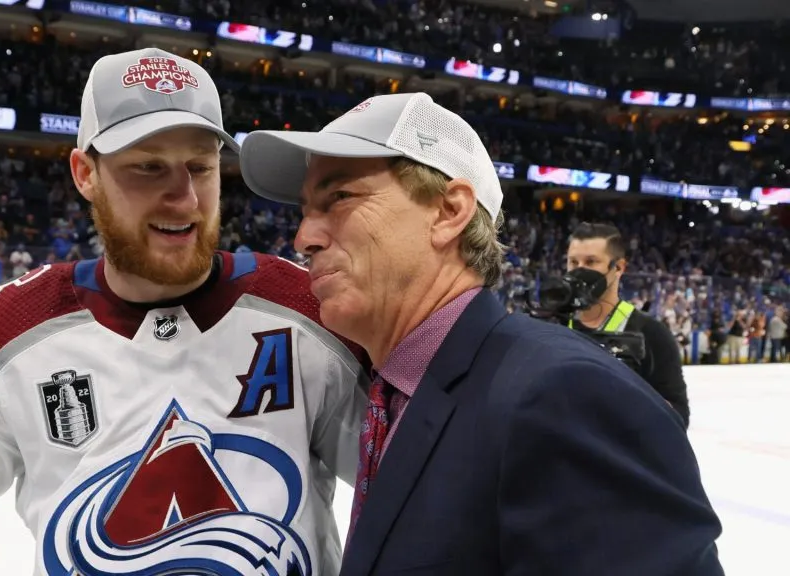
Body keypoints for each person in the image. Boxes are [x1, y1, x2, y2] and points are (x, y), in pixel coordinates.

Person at [0, 48, 367, 575]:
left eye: (200, 167)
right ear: (85, 173)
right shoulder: (3, 331)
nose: (184, 198)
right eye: (148, 167)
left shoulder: (307, 308)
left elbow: (421, 491)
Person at [239, 92, 724, 575]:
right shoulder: (400, 393)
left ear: (449, 212)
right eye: (306, 209)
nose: (304, 237)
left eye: (339, 197)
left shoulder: (564, 395)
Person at [565, 222, 691, 427]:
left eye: (590, 262)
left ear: (618, 267)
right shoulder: (550, 324)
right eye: (573, 262)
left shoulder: (651, 333)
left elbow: (678, 418)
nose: (579, 271)